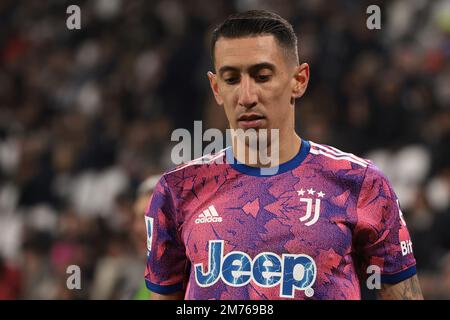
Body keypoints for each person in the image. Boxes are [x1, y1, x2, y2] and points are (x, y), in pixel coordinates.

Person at [144, 10, 423, 300]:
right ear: (216, 88)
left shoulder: (360, 183)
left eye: (262, 76)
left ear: (299, 80)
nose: (247, 96)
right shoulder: (178, 189)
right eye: (231, 79)